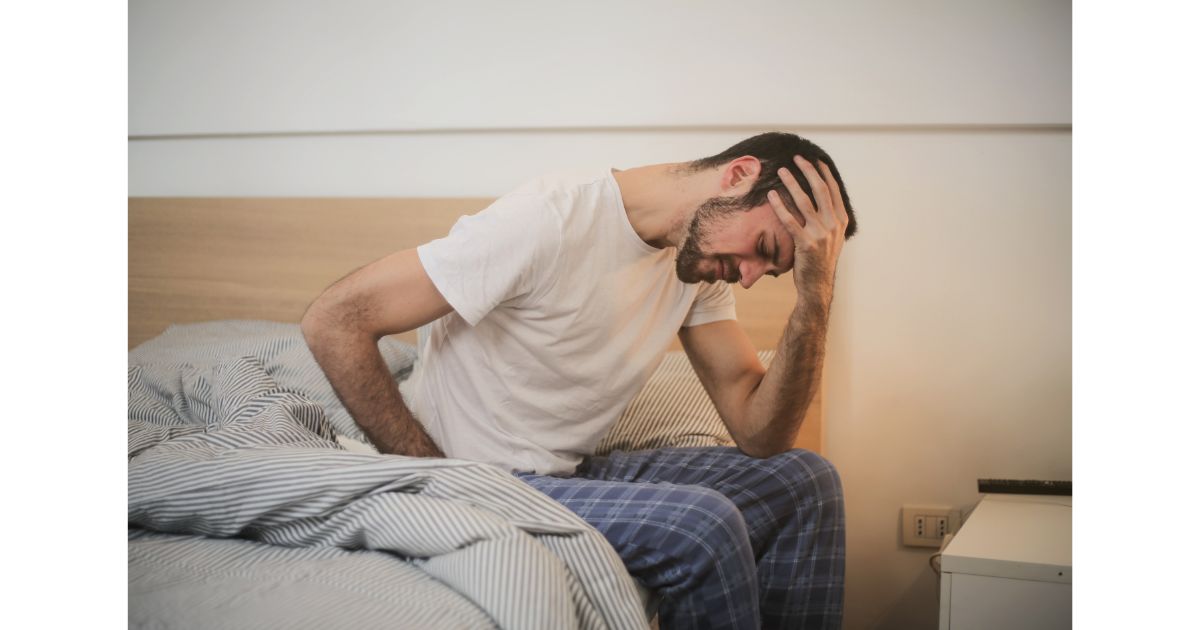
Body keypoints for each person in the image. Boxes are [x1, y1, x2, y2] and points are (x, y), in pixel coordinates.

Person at [302, 131, 857, 629]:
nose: (753, 276)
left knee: (804, 482)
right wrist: (436, 479)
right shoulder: (548, 220)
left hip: (564, 473)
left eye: (774, 270)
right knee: (701, 528)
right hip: (480, 477)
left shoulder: (698, 266)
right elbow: (335, 319)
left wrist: (816, 294)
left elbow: (761, 435)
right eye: (763, 250)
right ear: (738, 175)